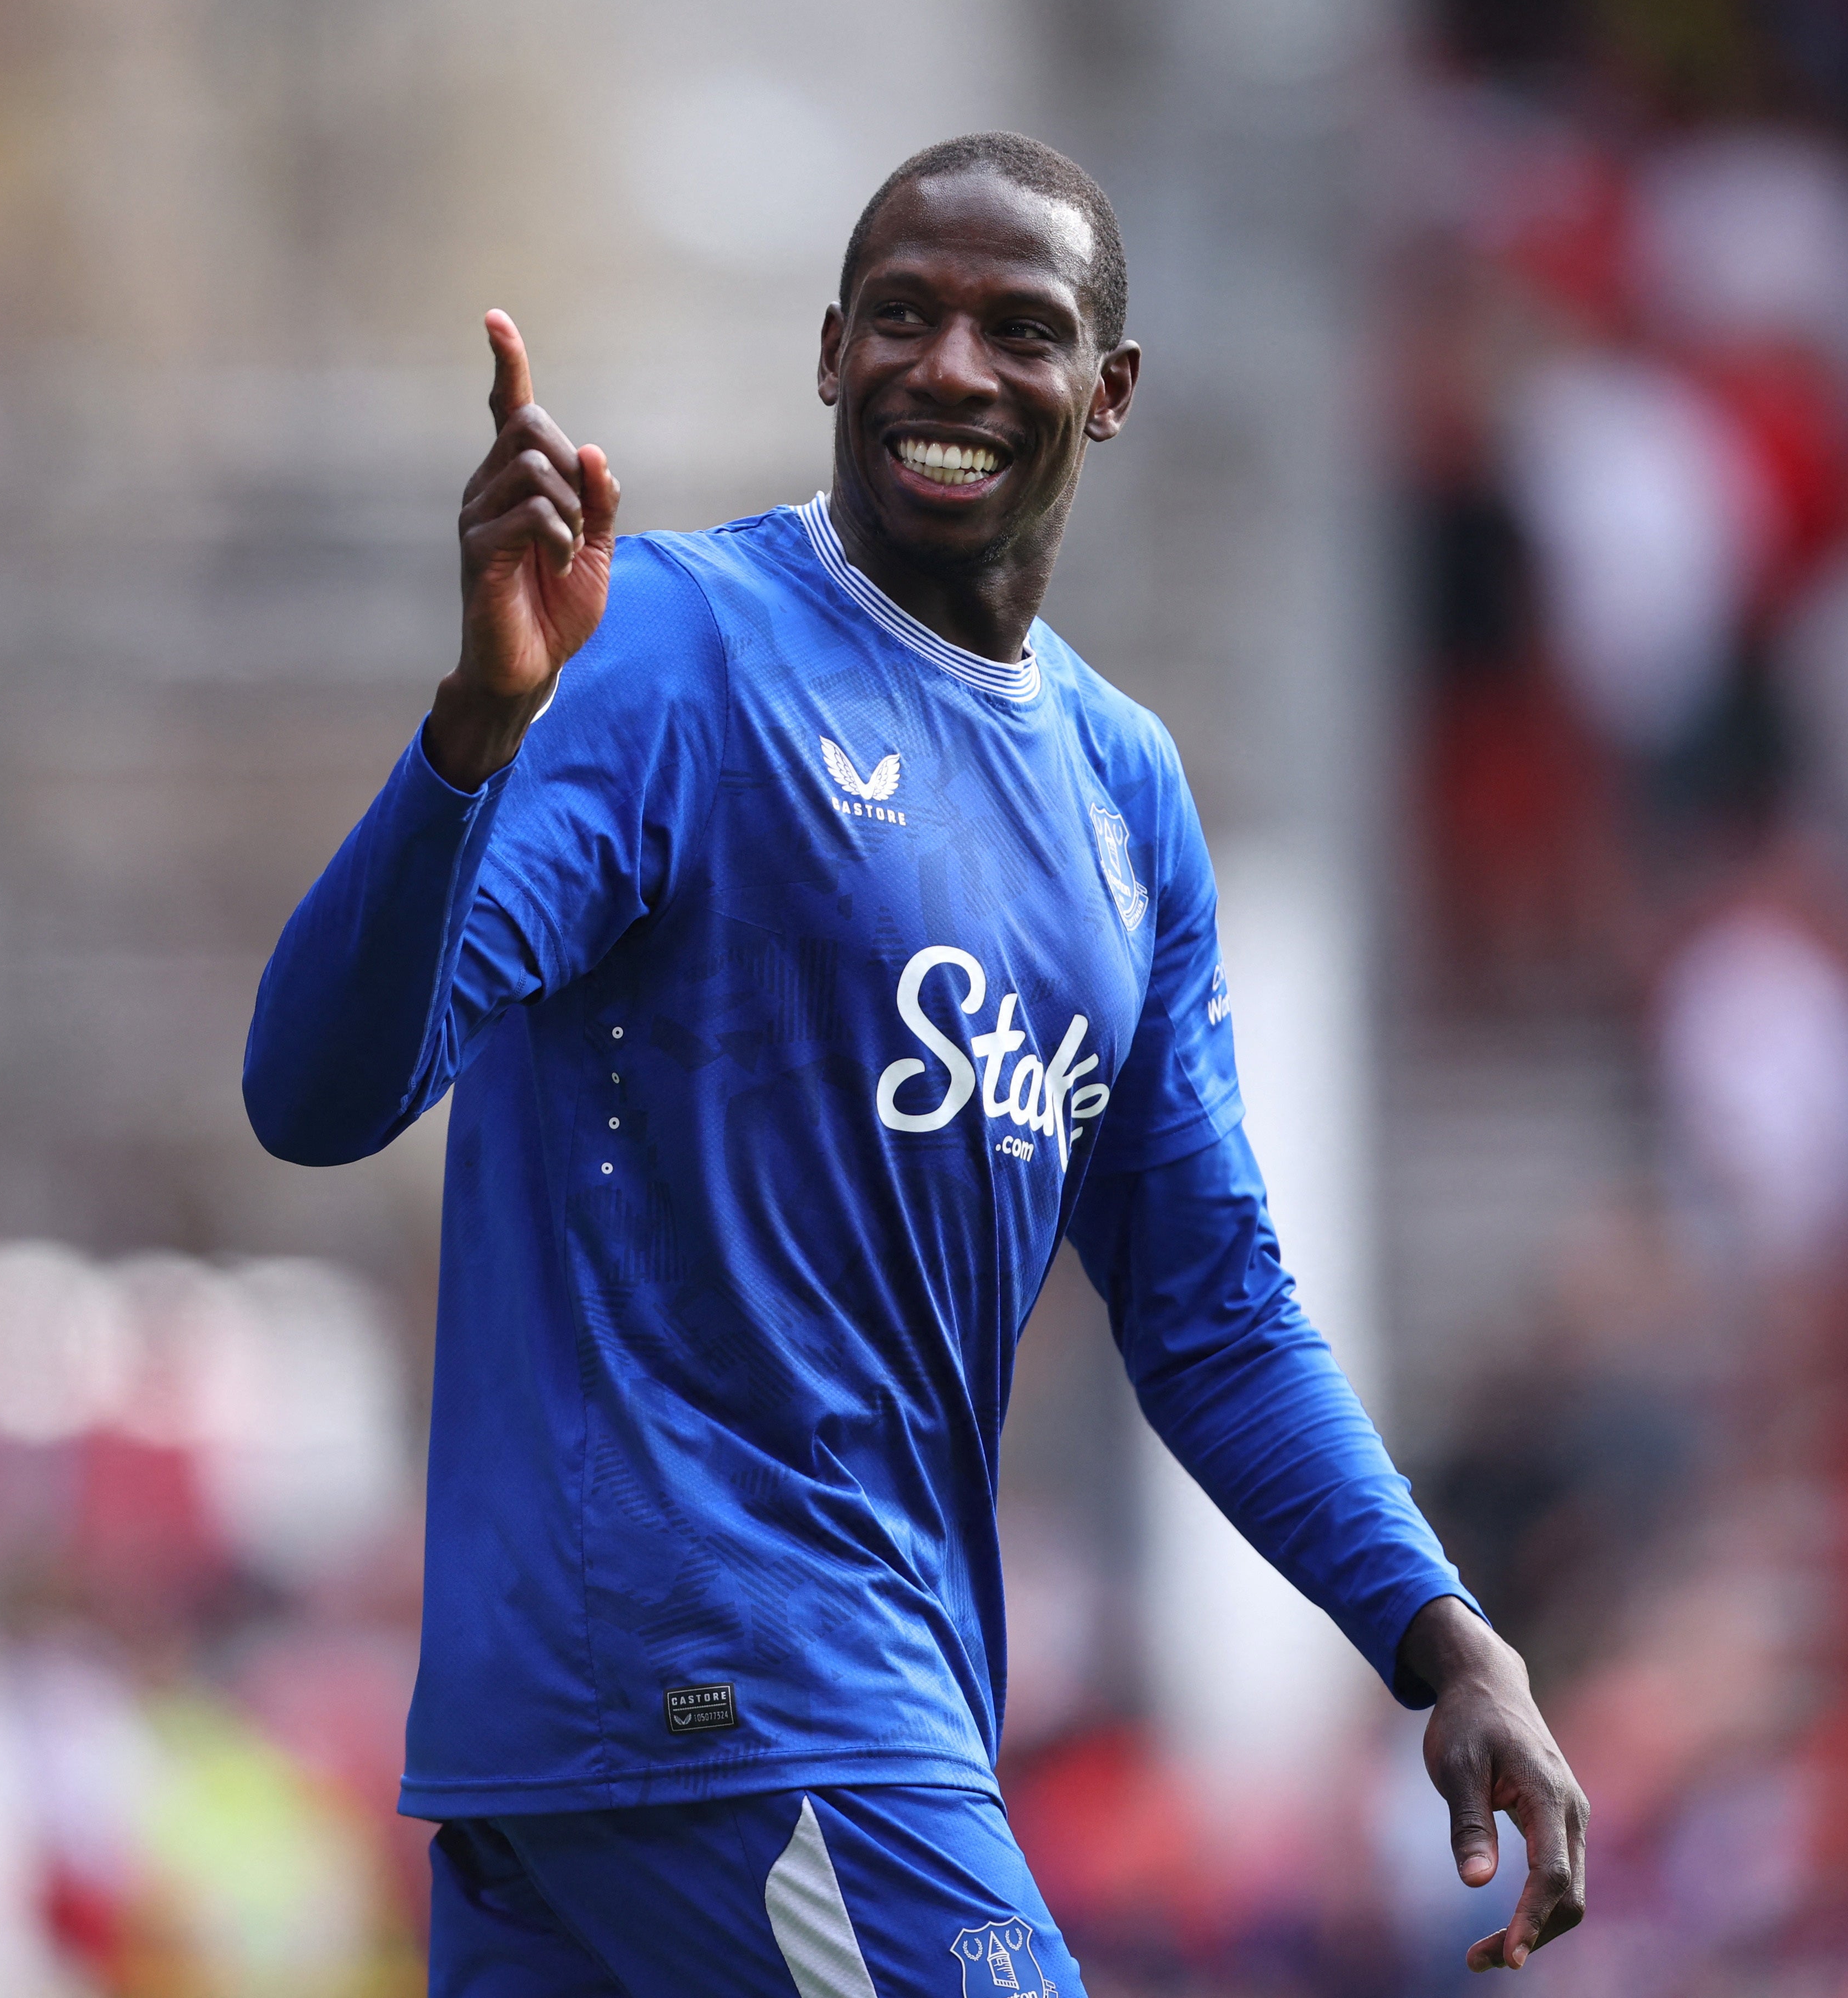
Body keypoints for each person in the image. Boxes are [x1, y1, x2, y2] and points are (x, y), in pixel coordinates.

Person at [246, 131, 1586, 1994]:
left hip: (681, 1749)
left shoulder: (1124, 797)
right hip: (738, 1690)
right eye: (903, 317)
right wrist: (474, 734)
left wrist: (1441, 1635)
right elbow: (317, 1096)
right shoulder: (667, 657)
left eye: (1017, 331)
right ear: (828, 356)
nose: (951, 369)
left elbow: (1212, 1313)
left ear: (1106, 396)